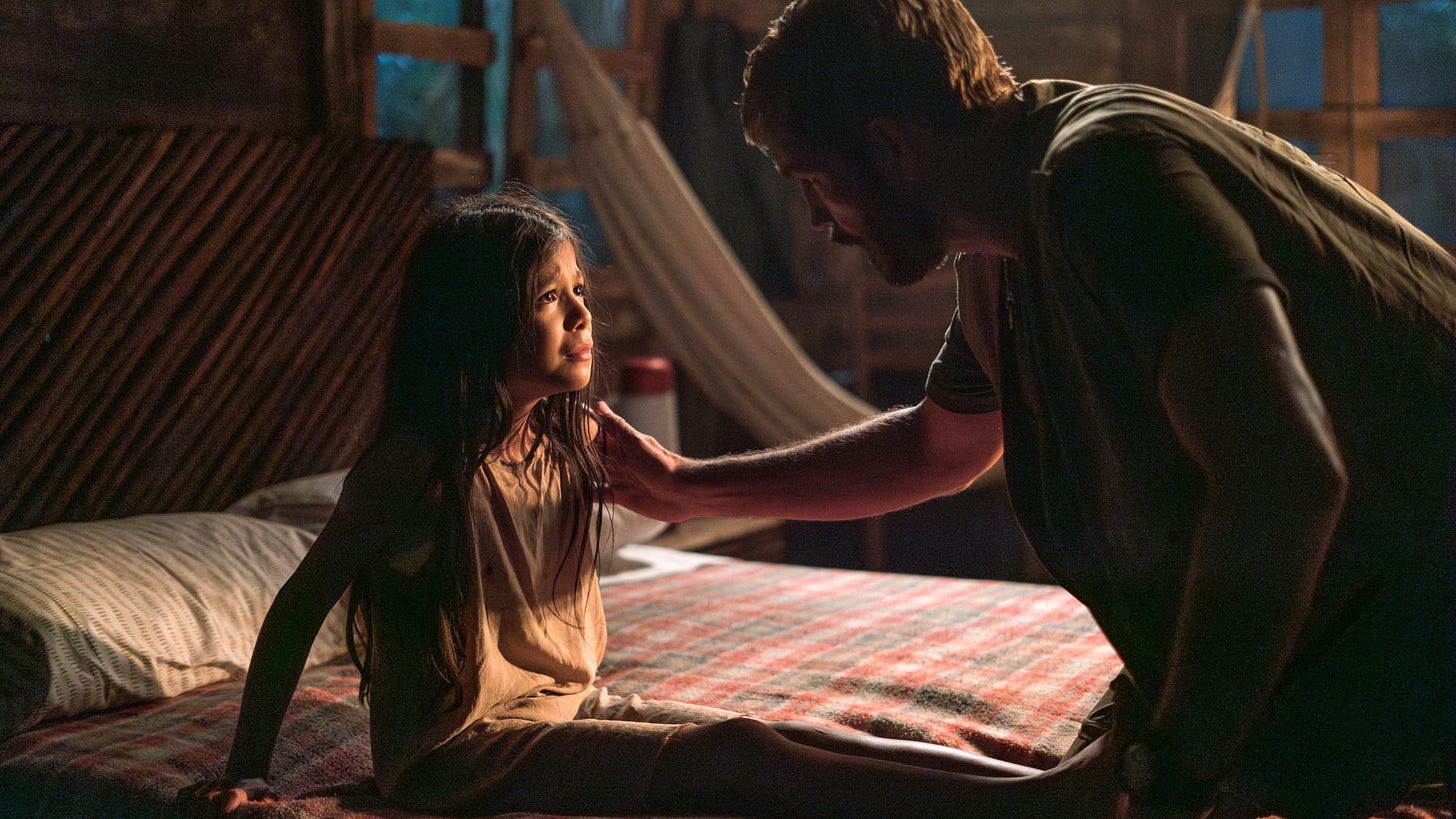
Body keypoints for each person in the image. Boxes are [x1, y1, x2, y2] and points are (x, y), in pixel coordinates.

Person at [596, 2, 1456, 817]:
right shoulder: (1001, 248)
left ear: (891, 149)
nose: (818, 219)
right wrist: (684, 485)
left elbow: (1286, 475)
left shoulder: (1107, 174)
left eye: (813, 182)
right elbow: (939, 449)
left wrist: (1177, 775)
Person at [177, 188, 1115, 818]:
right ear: (475, 324)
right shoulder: (415, 470)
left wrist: (678, 479)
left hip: (563, 705)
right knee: (738, 764)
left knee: (768, 733)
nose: (583, 314)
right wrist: (246, 772)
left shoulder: (567, 440)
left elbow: (671, 491)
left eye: (581, 290)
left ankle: (1048, 781)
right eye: (552, 299)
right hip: (462, 757)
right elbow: (297, 608)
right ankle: (1039, 807)